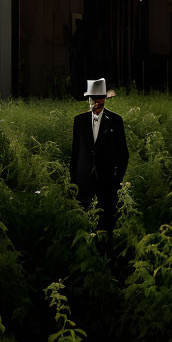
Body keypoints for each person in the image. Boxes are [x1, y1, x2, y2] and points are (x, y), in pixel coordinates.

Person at [71, 78, 129, 232]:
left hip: (107, 182)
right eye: (92, 99)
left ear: (104, 99)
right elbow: (75, 153)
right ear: (88, 99)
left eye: (99, 99)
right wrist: (73, 182)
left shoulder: (116, 121)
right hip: (83, 182)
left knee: (107, 223)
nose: (96, 102)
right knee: (83, 223)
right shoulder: (79, 121)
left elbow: (123, 154)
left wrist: (117, 181)